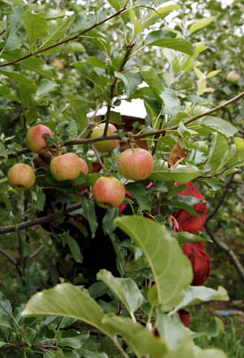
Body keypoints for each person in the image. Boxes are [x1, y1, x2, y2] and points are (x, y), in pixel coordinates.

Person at [35, 99, 210, 326]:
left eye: (136, 128)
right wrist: (55, 190)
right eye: (117, 127)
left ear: (157, 133)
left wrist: (166, 238)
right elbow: (64, 228)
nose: (126, 136)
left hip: (151, 319)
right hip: (92, 309)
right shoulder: (95, 177)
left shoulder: (178, 190)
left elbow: (197, 274)